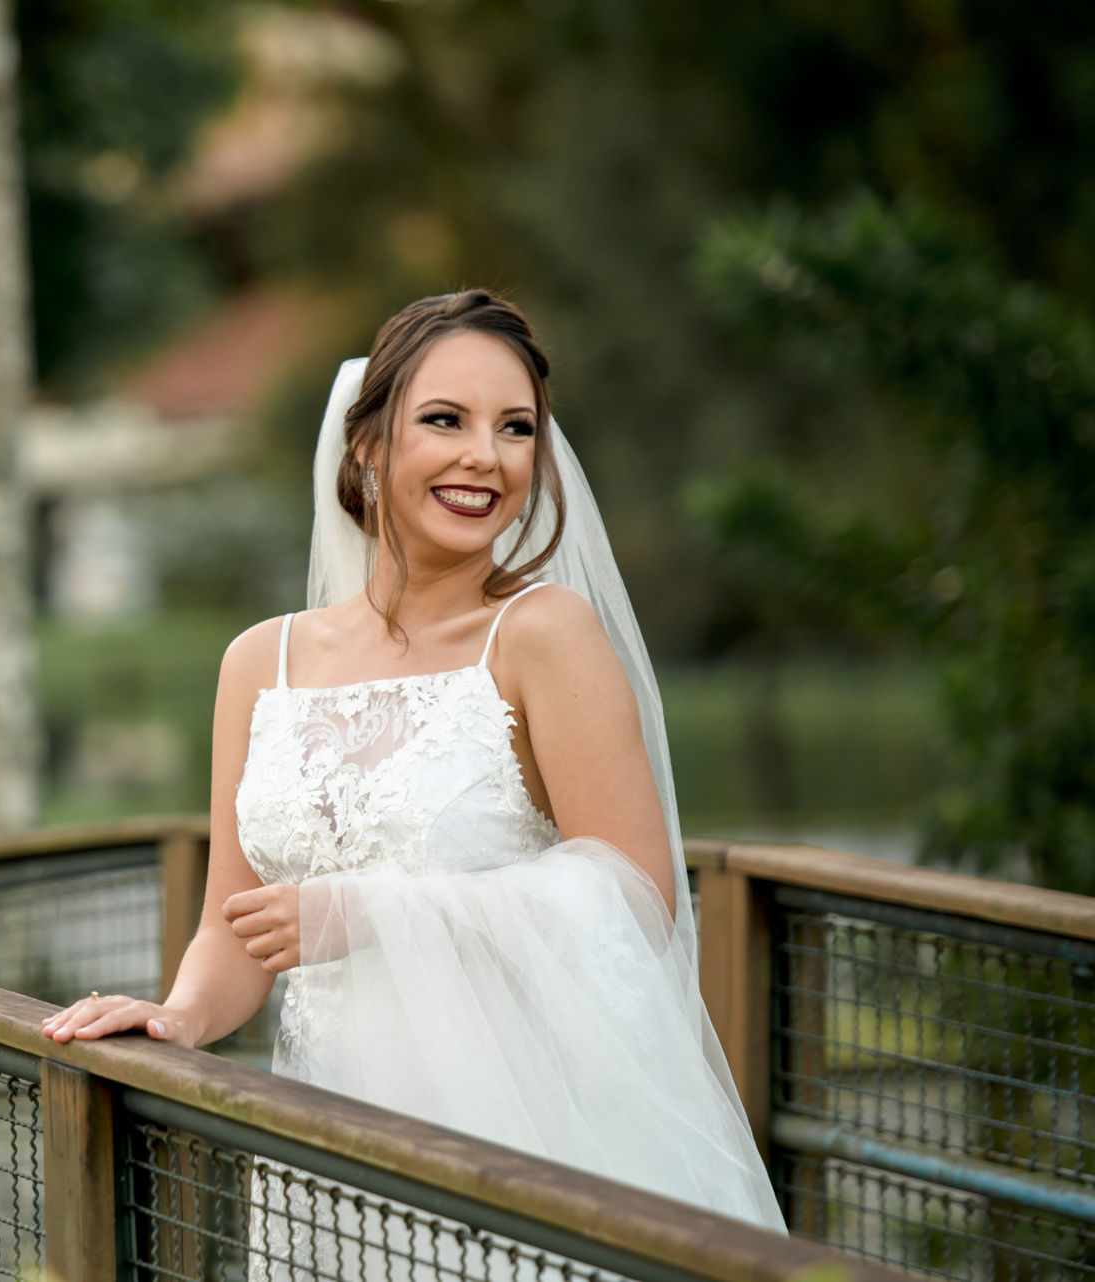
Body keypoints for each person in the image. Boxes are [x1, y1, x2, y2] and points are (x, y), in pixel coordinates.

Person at [40, 291, 787, 1238]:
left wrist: (368, 913)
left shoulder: (540, 634)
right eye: (445, 420)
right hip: (330, 1147)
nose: (487, 454)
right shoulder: (259, 663)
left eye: (515, 429)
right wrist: (178, 1018)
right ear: (369, 447)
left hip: (525, 1133)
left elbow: (639, 897)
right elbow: (239, 926)